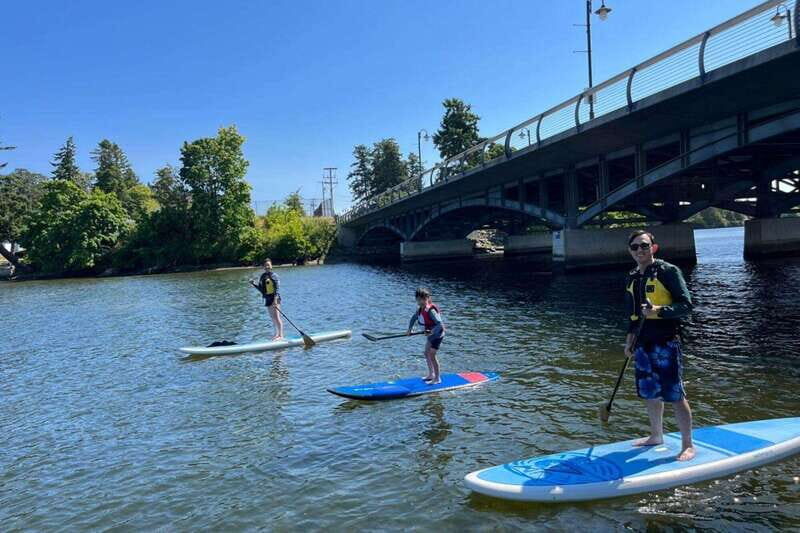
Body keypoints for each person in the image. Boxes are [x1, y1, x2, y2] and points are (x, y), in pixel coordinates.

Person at [624, 230, 695, 461]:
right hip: (642, 344)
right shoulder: (632, 276)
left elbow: (686, 305)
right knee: (649, 393)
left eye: (644, 246)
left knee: (674, 394)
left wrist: (659, 311)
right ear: (630, 251)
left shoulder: (668, 272)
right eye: (635, 247)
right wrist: (629, 340)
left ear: (653, 247)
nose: (640, 251)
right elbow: (633, 314)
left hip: (666, 343)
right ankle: (656, 435)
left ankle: (687, 445)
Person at [407, 287, 445, 384]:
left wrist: (431, 331)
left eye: (423, 299)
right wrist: (409, 330)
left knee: (432, 354)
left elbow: (439, 324)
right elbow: (413, 319)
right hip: (430, 335)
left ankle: (437, 378)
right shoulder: (419, 310)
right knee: (426, 353)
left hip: (438, 334)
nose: (421, 302)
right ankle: (431, 374)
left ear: (427, 298)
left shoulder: (431, 311)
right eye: (418, 299)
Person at [250, 258, 283, 340]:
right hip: (268, 299)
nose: (267, 266)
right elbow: (262, 290)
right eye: (265, 265)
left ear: (271, 266)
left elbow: (277, 289)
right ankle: (276, 334)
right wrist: (253, 284)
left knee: (277, 317)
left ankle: (281, 335)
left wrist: (275, 300)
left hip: (275, 298)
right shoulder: (263, 276)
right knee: (272, 317)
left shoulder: (275, 276)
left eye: (268, 265)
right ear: (264, 267)